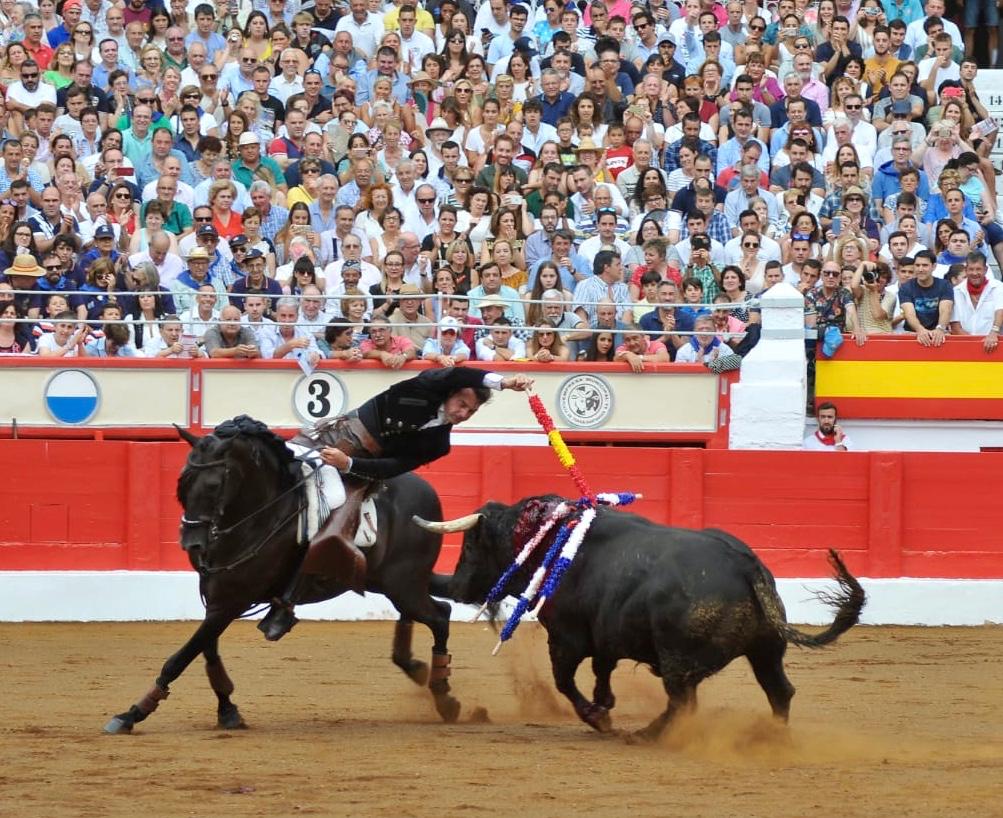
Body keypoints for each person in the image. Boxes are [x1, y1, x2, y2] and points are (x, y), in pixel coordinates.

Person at [258, 366, 535, 640]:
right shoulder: (422, 389)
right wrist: (504, 382)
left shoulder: (439, 444)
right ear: (449, 395)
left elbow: (392, 466)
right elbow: (456, 374)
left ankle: (286, 603)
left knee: (331, 521)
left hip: (360, 469)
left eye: (470, 411)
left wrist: (349, 464)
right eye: (462, 404)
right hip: (331, 438)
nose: (463, 414)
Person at [948, 252, 1003, 353]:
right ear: (966, 270)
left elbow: (1000, 311)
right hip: (963, 348)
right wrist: (975, 346)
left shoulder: (998, 287)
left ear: (985, 270)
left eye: (978, 269)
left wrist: (994, 332)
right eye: (971, 269)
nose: (974, 273)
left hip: (993, 347)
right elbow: (955, 327)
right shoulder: (956, 291)